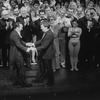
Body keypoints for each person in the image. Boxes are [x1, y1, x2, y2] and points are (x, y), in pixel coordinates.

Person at [9, 22, 34, 87]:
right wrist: (26, 49)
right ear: (17, 27)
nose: (22, 27)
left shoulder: (15, 32)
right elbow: (18, 44)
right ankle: (23, 83)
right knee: (21, 68)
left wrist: (27, 44)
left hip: (15, 52)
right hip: (17, 53)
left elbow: (20, 41)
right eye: (21, 26)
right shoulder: (14, 34)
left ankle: (17, 81)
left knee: (17, 68)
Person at [32, 19, 55, 87]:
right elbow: (41, 41)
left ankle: (50, 82)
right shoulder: (46, 32)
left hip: (47, 54)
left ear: (46, 27)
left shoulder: (49, 34)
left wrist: (35, 48)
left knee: (49, 69)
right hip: (44, 54)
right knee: (42, 67)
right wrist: (33, 44)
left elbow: (44, 46)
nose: (41, 27)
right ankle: (40, 79)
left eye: (42, 26)